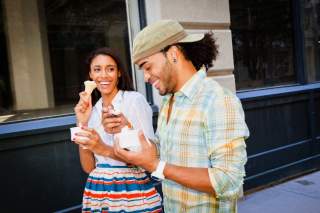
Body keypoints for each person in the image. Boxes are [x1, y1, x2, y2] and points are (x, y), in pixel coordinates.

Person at [113, 20, 250, 212]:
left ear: (173, 54)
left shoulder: (218, 100)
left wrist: (156, 166)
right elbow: (163, 152)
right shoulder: (169, 100)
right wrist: (130, 133)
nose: (145, 77)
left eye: (147, 66)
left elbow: (228, 181)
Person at [73, 47, 163, 212]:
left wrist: (105, 148)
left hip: (131, 189)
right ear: (91, 75)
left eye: (111, 69)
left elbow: (150, 157)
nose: (104, 75)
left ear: (119, 73)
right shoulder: (91, 110)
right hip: (97, 190)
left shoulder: (134, 100)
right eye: (97, 69)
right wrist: (82, 123)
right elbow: (88, 167)